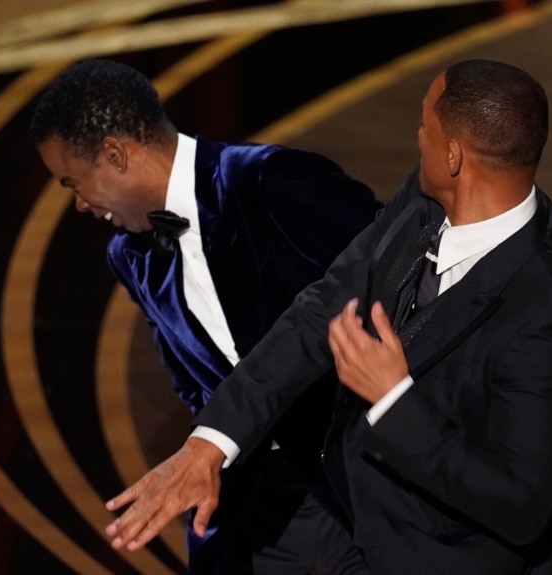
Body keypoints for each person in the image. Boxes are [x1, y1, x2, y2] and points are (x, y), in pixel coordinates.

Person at [102, 59, 552, 573]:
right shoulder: (425, 202)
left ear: (453, 156)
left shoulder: (542, 315)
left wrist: (394, 399)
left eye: (424, 123)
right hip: (371, 535)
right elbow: (321, 308)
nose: (416, 133)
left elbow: (517, 503)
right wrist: (211, 442)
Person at [28, 58, 381, 574]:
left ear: (114, 155)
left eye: (72, 182)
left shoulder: (269, 181)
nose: (79, 204)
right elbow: (194, 384)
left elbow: (400, 280)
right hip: (261, 505)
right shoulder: (130, 256)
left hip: (364, 480)